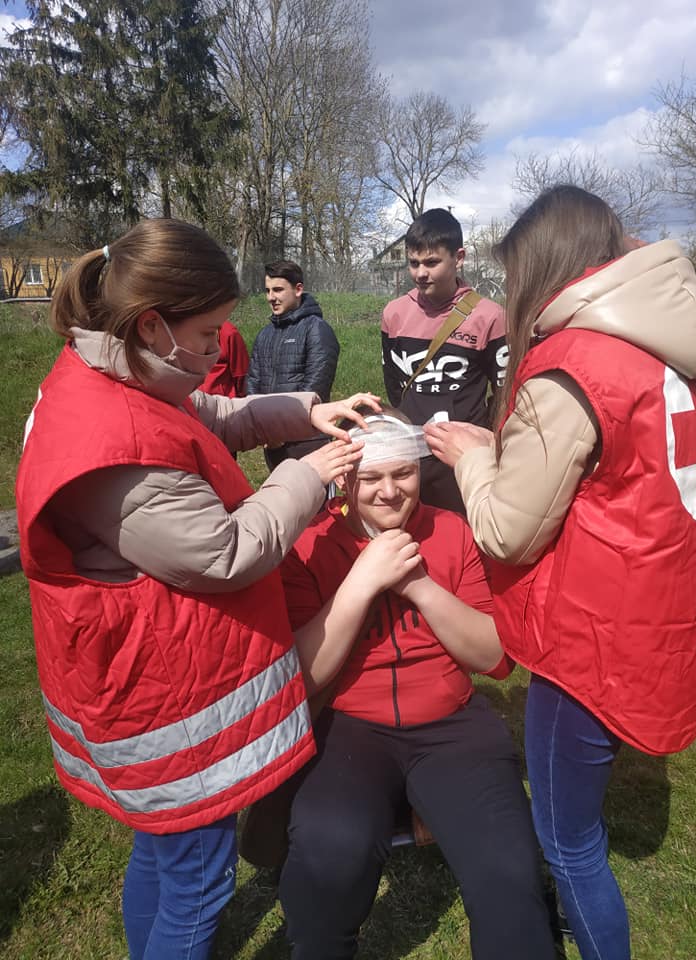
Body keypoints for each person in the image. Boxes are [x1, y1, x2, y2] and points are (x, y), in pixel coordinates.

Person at [14, 218, 380, 960]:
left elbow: (207, 415)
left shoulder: (119, 372)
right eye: (209, 333)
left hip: (144, 677)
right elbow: (225, 553)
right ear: (154, 324)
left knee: (163, 851)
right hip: (165, 699)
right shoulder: (114, 447)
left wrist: (305, 411)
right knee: (199, 881)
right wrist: (307, 475)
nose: (219, 349)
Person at [425, 185, 696, 960]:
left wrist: (473, 457)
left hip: (592, 642)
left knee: (568, 839)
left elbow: (505, 532)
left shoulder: (573, 365)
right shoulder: (672, 352)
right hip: (659, 616)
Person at [276, 409, 558, 960]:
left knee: (508, 870)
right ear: (343, 478)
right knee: (329, 856)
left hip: (452, 722)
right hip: (348, 727)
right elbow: (301, 680)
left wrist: (421, 587)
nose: (389, 492)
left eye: (402, 473)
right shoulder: (310, 543)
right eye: (371, 478)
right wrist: (359, 585)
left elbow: (494, 659)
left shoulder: (452, 530)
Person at [381, 208, 508, 513]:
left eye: (431, 262)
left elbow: (505, 393)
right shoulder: (394, 313)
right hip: (411, 453)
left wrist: (484, 440)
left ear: (458, 257)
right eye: (413, 263)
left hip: (461, 458)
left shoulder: (490, 317)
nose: (420, 274)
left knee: (460, 534)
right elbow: (394, 385)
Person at [247, 259, 340, 469]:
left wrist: (284, 428)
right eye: (268, 291)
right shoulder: (264, 334)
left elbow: (315, 388)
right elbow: (253, 381)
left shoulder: (317, 329)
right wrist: (261, 425)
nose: (271, 297)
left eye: (278, 290)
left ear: (298, 289)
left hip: (307, 440)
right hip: (272, 441)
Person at [197, 319, 249, 398]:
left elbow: (241, 373)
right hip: (192, 398)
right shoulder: (184, 331)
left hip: (221, 399)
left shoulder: (229, 333)